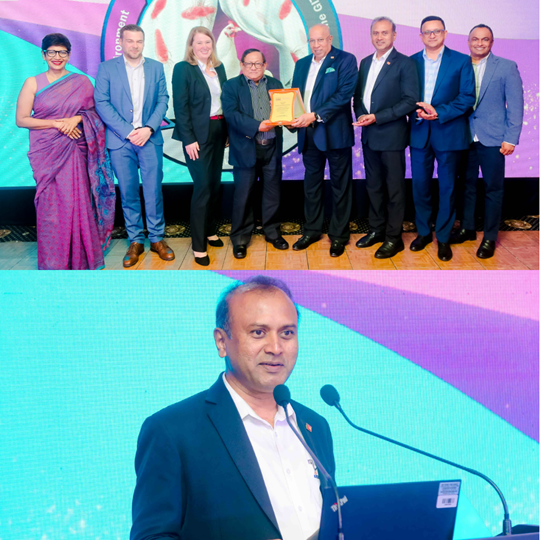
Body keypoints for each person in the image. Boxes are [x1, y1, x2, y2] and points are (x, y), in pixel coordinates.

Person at [130, 276, 335, 540]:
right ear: (221, 342)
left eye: (287, 333)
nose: (275, 348)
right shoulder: (171, 431)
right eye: (258, 332)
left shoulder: (315, 425)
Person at [15, 33, 115, 270]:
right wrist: (57, 124)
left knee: (76, 202)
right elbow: (22, 119)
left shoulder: (81, 82)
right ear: (43, 55)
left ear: (69, 55)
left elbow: (95, 114)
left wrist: (76, 119)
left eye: (62, 52)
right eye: (51, 52)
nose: (57, 57)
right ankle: (53, 262)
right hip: (46, 152)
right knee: (50, 207)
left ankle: (81, 259)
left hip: (75, 150)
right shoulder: (32, 83)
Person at [94, 24, 174, 268]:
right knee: (128, 193)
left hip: (149, 138)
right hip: (121, 141)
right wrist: (129, 132)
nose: (135, 45)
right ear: (121, 42)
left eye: (139, 41)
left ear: (143, 42)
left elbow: (163, 99)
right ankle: (136, 240)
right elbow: (101, 102)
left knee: (153, 191)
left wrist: (148, 128)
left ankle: (157, 238)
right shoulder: (107, 68)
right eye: (130, 40)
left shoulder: (156, 67)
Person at [450, 24, 524, 259]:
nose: (479, 43)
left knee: (493, 189)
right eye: (475, 39)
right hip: (463, 136)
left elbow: (516, 105)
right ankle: (467, 229)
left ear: (491, 42)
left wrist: (511, 138)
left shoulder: (506, 67)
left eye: (485, 39)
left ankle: (490, 237)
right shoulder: (459, 65)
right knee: (466, 185)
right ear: (468, 41)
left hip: (493, 138)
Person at [409, 16, 475, 262]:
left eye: (437, 31)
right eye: (427, 32)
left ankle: (444, 237)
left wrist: (438, 112)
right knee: (420, 186)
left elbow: (467, 97)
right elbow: (405, 96)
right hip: (419, 132)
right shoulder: (411, 62)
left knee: (447, 188)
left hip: (448, 132)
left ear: (445, 33)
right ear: (421, 36)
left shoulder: (461, 60)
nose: (432, 35)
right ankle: (424, 233)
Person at [353, 17, 419, 259]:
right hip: (369, 136)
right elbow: (358, 97)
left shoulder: (405, 63)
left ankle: (394, 238)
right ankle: (376, 230)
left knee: (394, 190)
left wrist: (377, 117)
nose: (379, 37)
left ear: (394, 35)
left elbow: (410, 101)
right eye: (376, 33)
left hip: (391, 136)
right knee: (374, 187)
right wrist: (362, 116)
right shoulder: (365, 62)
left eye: (384, 33)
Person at [290, 24, 358, 258]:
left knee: (340, 186)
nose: (316, 45)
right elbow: (295, 97)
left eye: (320, 40)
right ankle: (312, 231)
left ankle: (339, 235)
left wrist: (315, 115)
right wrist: (288, 114)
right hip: (308, 134)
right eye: (312, 41)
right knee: (311, 186)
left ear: (330, 39)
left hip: (335, 133)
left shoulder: (346, 60)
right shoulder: (301, 64)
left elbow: (344, 95)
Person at [221, 49, 289, 259]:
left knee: (272, 193)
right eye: (249, 63)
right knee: (243, 196)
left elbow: (286, 112)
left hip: (272, 146)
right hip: (245, 148)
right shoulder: (231, 86)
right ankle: (240, 239)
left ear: (265, 65)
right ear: (242, 65)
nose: (253, 67)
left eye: (258, 63)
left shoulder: (276, 84)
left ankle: (273, 232)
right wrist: (257, 126)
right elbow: (231, 114)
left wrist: (290, 117)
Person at [172, 26, 228, 266]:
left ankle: (210, 230)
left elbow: (224, 101)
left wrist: (227, 132)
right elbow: (181, 106)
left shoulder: (219, 67)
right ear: (191, 46)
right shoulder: (183, 68)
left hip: (219, 130)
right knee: (203, 186)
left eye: (207, 42)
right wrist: (188, 139)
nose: (204, 46)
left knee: (214, 185)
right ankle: (198, 245)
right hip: (196, 136)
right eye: (199, 43)